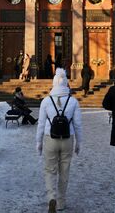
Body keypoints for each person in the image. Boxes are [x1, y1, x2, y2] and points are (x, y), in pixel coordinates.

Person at [36, 68, 82, 213]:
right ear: (67, 84)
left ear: (54, 84)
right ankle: (61, 202)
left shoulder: (46, 101)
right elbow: (78, 124)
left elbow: (41, 124)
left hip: (50, 138)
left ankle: (51, 198)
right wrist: (79, 142)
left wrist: (38, 142)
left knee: (50, 170)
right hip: (68, 139)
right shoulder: (73, 101)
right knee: (64, 170)